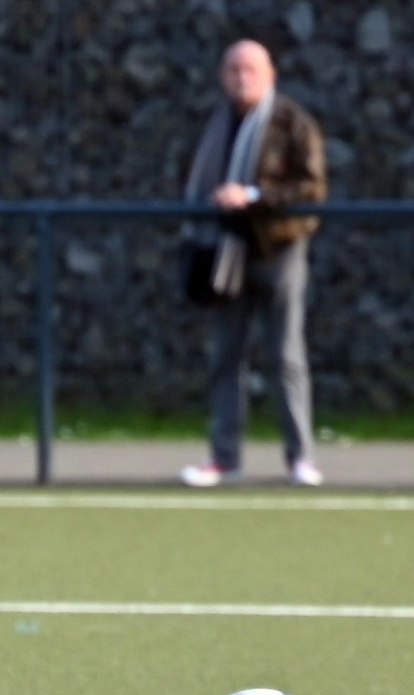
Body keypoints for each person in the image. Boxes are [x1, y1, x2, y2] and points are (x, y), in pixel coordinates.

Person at [179, 39, 327, 489]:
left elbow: (311, 186)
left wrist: (254, 196)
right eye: (234, 69)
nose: (242, 78)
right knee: (226, 357)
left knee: (286, 357)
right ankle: (224, 457)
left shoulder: (292, 122)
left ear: (270, 75)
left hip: (277, 250)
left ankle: (300, 458)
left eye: (250, 69)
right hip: (226, 251)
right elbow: (193, 175)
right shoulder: (214, 124)